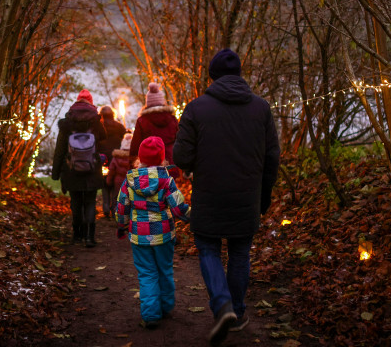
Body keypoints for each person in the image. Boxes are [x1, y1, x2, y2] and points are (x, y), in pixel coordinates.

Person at [173, 49, 280, 346]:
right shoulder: (261, 108)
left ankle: (223, 306)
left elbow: (181, 156)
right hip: (247, 198)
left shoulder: (196, 108)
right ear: (240, 74)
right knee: (240, 252)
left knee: (208, 248)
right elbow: (272, 158)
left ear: (212, 76)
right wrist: (264, 196)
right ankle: (238, 312)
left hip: (210, 195)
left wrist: (197, 163)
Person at [115, 136, 190, 330]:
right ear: (162, 159)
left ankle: (150, 314)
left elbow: (121, 208)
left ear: (140, 159)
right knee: (164, 270)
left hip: (139, 236)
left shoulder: (129, 181)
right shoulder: (166, 180)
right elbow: (179, 207)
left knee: (147, 273)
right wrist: (194, 216)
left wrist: (121, 225)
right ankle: (166, 307)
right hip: (164, 234)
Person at [52, 89, 107, 247]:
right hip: (92, 168)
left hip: (71, 169)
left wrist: (56, 173)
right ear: (91, 102)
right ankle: (90, 237)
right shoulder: (96, 121)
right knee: (90, 202)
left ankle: (77, 236)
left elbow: (60, 149)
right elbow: (104, 137)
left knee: (76, 202)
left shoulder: (67, 122)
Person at [129, 82, 179, 176]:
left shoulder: (142, 121)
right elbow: (179, 142)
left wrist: (132, 166)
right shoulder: (172, 119)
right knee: (169, 188)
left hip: (149, 167)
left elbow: (135, 146)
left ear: (148, 102)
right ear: (162, 101)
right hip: (170, 165)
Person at [99, 105, 127, 216]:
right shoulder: (119, 126)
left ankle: (105, 206)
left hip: (102, 159)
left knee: (104, 183)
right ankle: (114, 207)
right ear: (113, 114)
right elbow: (125, 139)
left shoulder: (99, 126)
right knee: (115, 183)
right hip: (115, 159)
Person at [106, 132, 132, 217]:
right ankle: (127, 216)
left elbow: (111, 170)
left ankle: (115, 214)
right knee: (129, 198)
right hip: (130, 181)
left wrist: (109, 181)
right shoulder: (133, 158)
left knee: (116, 198)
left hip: (118, 181)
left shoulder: (116, 157)